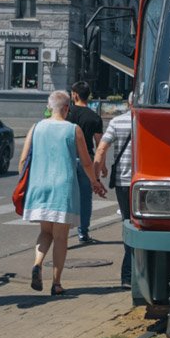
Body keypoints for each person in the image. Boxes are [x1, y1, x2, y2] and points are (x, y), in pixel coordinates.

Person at [20, 90, 107, 296]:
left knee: (45, 232)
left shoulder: (36, 127)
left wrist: (24, 184)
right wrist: (94, 182)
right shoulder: (73, 129)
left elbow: (23, 160)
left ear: (49, 107)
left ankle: (37, 263)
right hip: (63, 187)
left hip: (39, 186)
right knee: (60, 237)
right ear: (67, 108)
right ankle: (56, 283)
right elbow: (86, 162)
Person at [94, 93, 134, 288]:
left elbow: (101, 149)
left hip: (123, 182)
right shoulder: (150, 122)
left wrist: (97, 176)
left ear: (128, 103)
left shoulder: (117, 122)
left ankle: (127, 277)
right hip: (148, 182)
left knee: (128, 224)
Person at [65, 81, 103, 243]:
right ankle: (83, 233)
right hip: (86, 160)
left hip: (66, 159)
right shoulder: (94, 117)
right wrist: (101, 167)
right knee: (85, 198)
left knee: (65, 197)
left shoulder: (66, 114)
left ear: (74, 95)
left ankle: (62, 233)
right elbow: (99, 144)